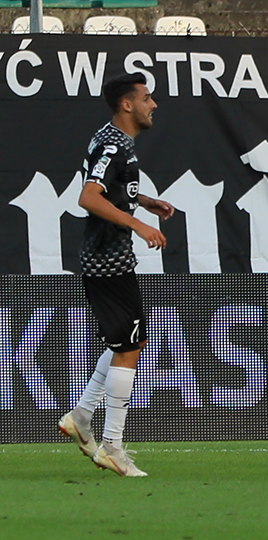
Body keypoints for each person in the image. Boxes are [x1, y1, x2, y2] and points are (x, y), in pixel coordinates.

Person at [58, 73, 174, 478]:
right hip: (107, 260)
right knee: (129, 348)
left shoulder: (114, 140)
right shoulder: (113, 143)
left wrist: (145, 201)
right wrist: (139, 225)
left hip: (112, 259)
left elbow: (110, 187)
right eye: (146, 98)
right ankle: (112, 446)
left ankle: (81, 416)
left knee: (131, 340)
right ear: (127, 104)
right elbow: (89, 197)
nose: (153, 105)